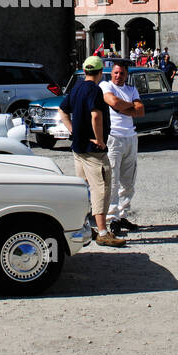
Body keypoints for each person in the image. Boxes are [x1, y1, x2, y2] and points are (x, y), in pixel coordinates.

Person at [58, 56, 125, 247]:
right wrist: (100, 140)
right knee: (101, 188)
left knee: (83, 188)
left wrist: (73, 130)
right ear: (100, 72)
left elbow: (63, 111)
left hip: (78, 148)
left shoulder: (77, 87)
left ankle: (82, 225)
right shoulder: (95, 90)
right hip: (93, 150)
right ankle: (103, 232)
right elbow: (96, 115)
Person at [100, 61, 144, 235]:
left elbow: (140, 111)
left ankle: (123, 213)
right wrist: (129, 106)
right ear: (111, 73)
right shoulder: (105, 85)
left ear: (127, 75)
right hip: (114, 137)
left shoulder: (132, 89)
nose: (119, 76)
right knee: (112, 179)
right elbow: (113, 102)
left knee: (128, 180)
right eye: (116, 73)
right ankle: (112, 218)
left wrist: (122, 106)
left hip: (131, 137)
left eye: (122, 73)